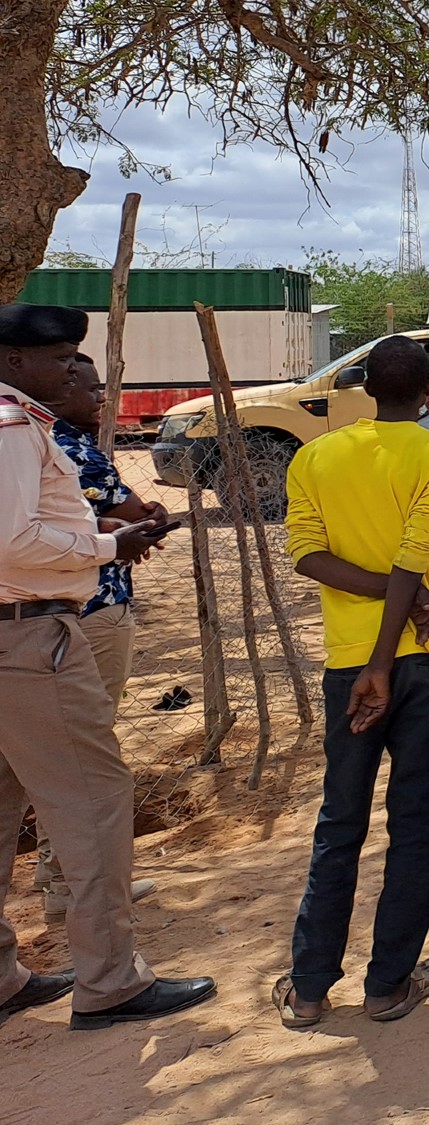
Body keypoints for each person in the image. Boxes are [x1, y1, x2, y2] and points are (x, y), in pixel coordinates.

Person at [0, 301, 215, 1029]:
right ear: (13, 361)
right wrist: (106, 548)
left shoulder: (22, 427)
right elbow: (12, 543)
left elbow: (32, 525)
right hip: (30, 640)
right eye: (58, 357)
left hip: (15, 635)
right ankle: (111, 981)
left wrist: (105, 528)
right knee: (91, 803)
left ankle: (4, 974)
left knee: (5, 810)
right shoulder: (10, 429)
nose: (71, 370)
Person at [276, 335, 429, 1028]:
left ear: (361, 386)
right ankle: (387, 984)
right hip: (424, 658)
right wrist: (398, 623)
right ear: (427, 393)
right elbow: (418, 553)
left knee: (340, 820)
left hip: (347, 662)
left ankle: (307, 989)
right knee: (413, 821)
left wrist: (372, 652)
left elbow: (306, 554)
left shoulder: (315, 454)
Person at [36, 354, 164, 922]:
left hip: (46, 615)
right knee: (83, 755)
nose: (100, 399)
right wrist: (139, 523)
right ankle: (68, 884)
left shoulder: (30, 441)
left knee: (43, 754)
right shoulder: (74, 450)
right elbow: (138, 517)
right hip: (94, 611)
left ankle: (56, 876)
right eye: (89, 388)